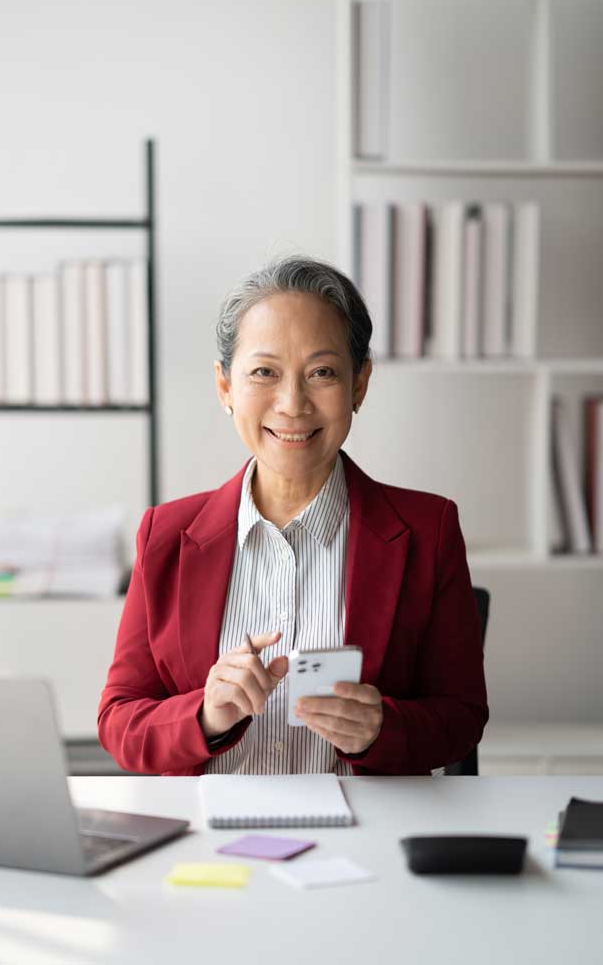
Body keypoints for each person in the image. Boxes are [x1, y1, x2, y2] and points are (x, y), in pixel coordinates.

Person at [97, 255, 488, 776]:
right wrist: (206, 715)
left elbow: (461, 718)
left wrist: (380, 729)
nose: (292, 403)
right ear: (225, 388)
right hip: (212, 842)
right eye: (264, 372)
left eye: (321, 373)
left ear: (359, 385)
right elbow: (120, 721)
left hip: (364, 836)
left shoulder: (428, 530)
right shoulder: (165, 536)